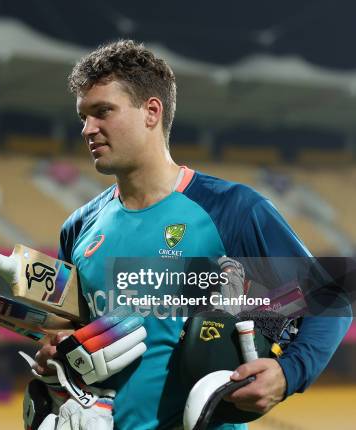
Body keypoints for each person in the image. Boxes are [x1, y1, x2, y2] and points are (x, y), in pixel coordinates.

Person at [33, 40, 352, 429]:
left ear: (152, 111)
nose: (87, 128)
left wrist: (289, 373)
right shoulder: (79, 227)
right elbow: (65, 333)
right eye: (83, 116)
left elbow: (329, 298)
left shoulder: (232, 210)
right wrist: (54, 354)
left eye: (103, 112)